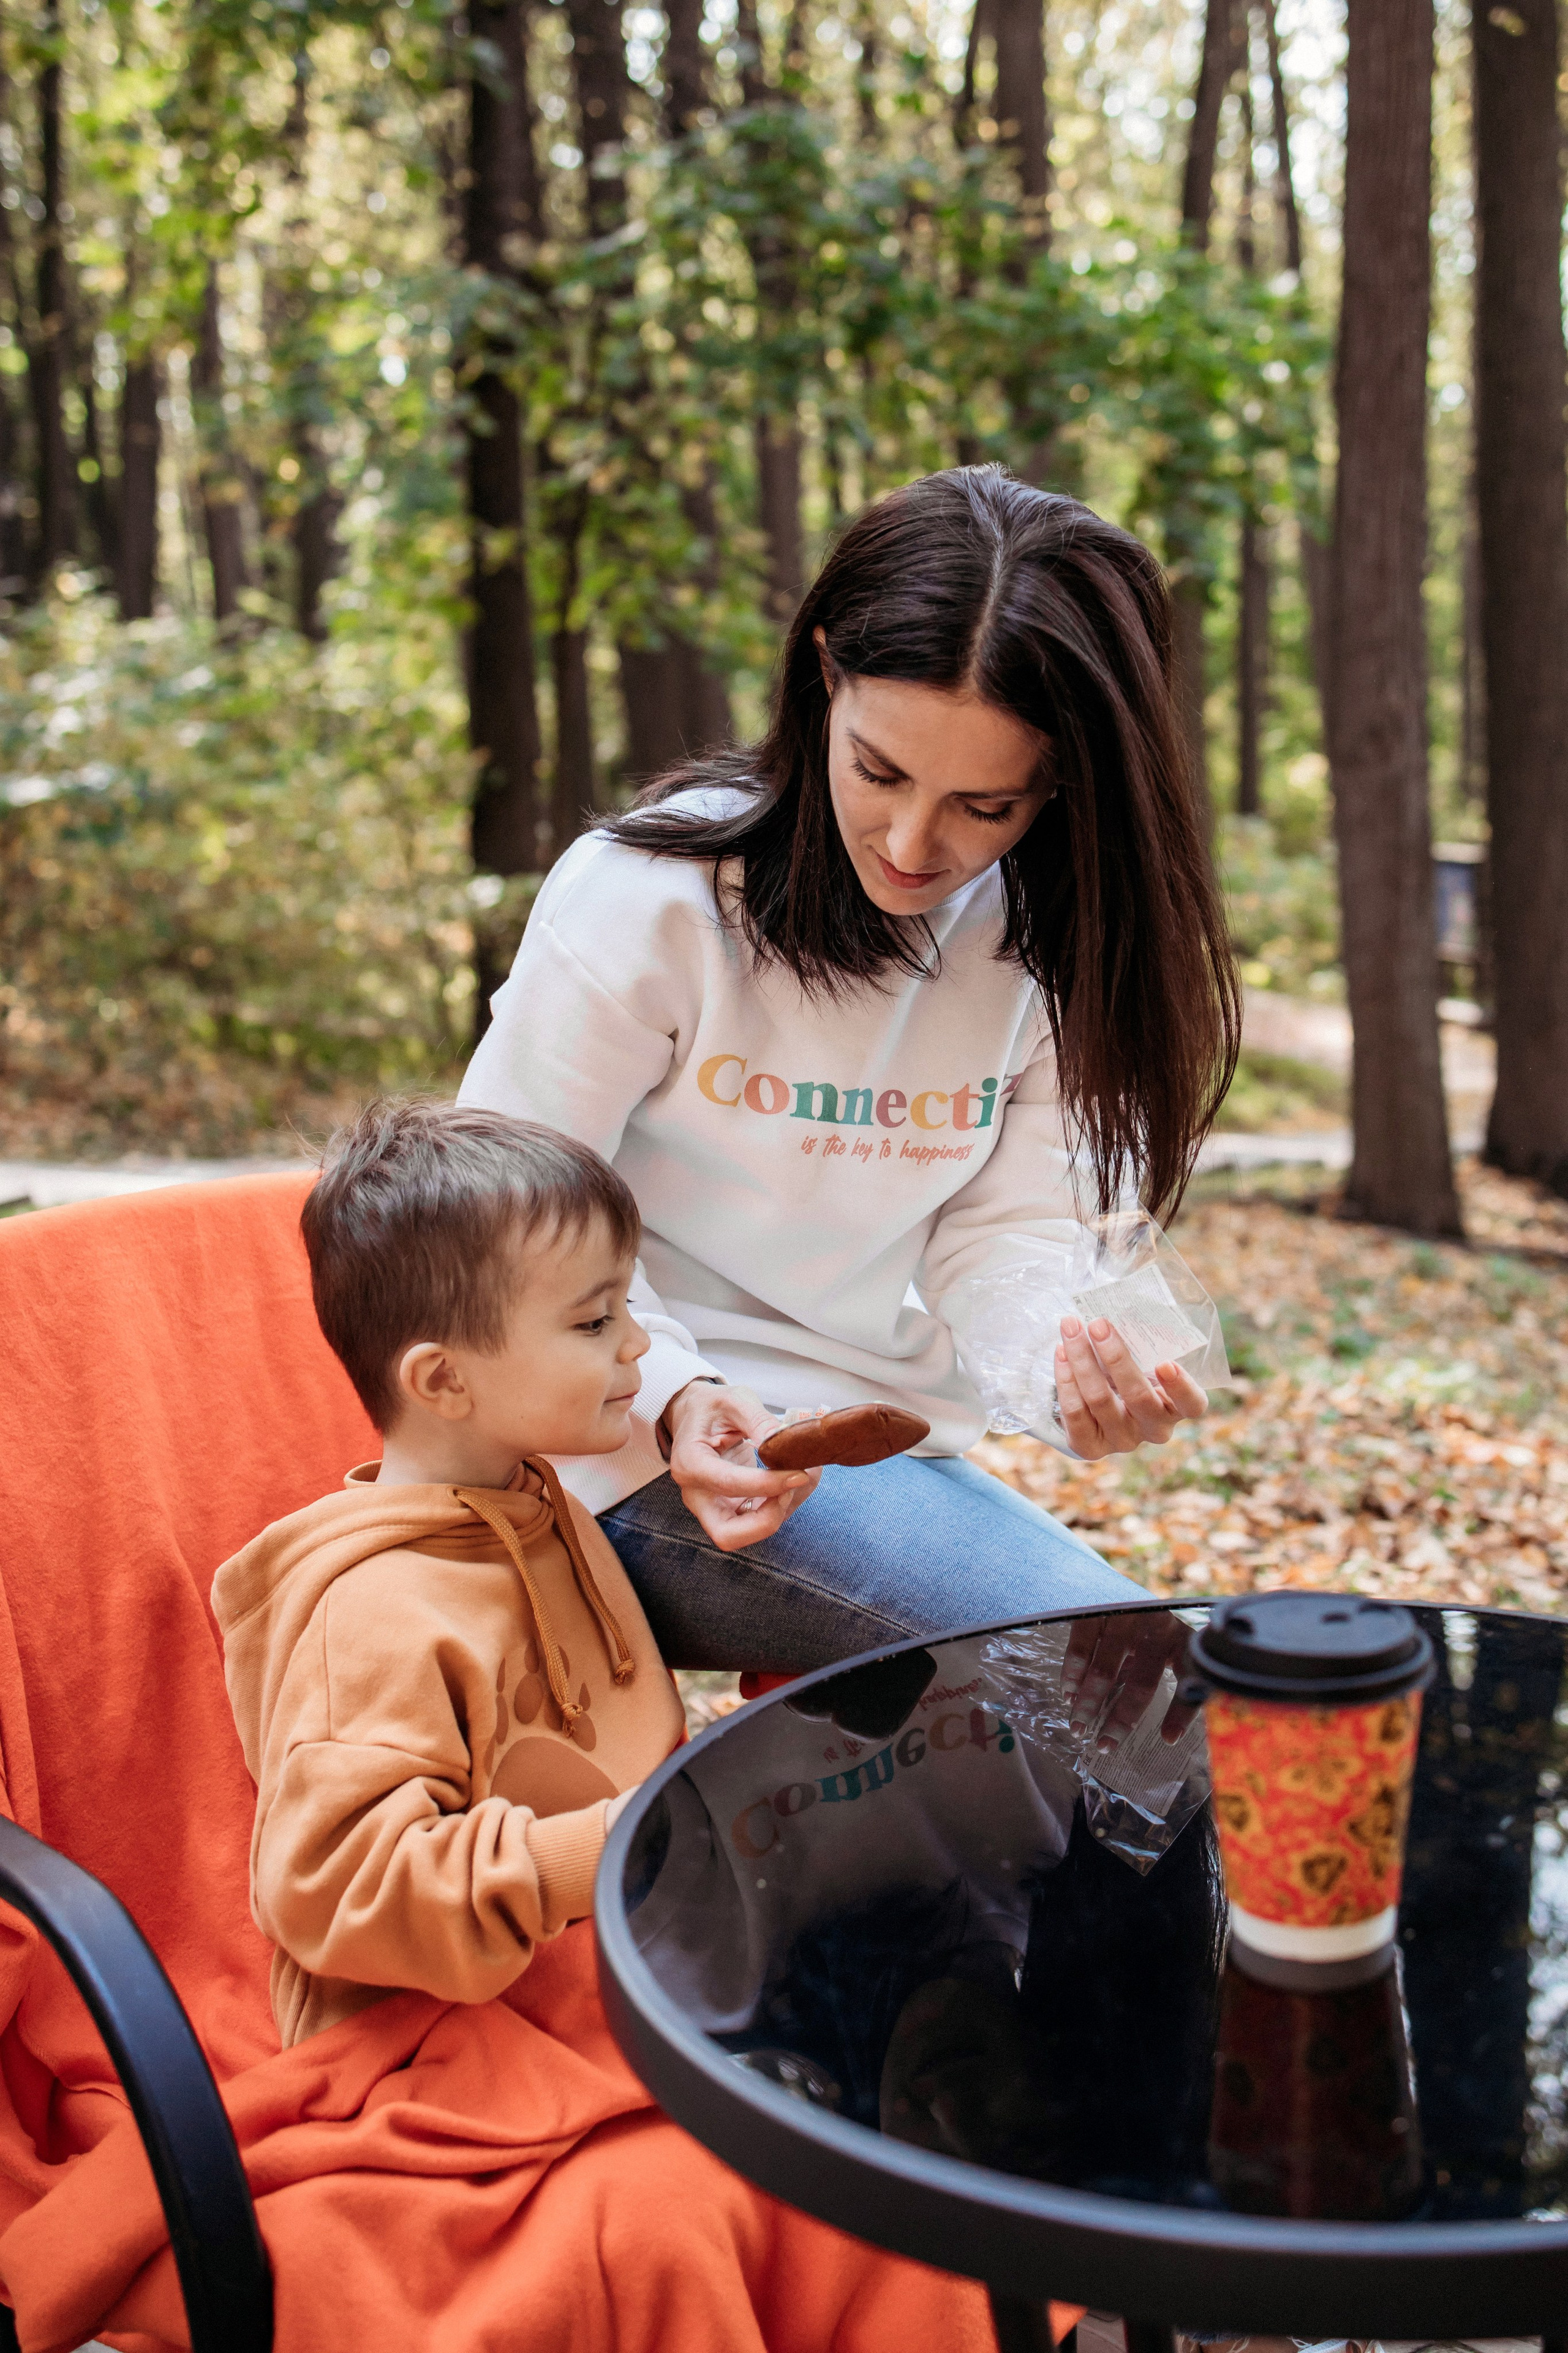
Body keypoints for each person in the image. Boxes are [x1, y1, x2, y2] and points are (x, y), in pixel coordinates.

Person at [205, 1098, 995, 2351]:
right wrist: (623, 1840)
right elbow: (340, 1885)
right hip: (437, 2040)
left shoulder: (531, 1494)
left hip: (620, 1961)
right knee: (706, 2193)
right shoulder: (380, 1616)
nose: (639, 1346)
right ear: (442, 1377)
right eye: (593, 1321)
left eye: (628, 1304)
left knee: (925, 2019)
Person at [461, 465, 1242, 1673]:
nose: (912, 844)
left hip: (866, 1449)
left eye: (982, 804)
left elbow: (998, 1244)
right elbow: (498, 1208)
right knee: (1119, 1677)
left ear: (1060, 783)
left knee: (1136, 1689)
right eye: (878, 770)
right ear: (823, 670)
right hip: (602, 1434)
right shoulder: (651, 901)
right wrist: (672, 1389)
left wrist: (1060, 1369)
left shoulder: (1041, 944)